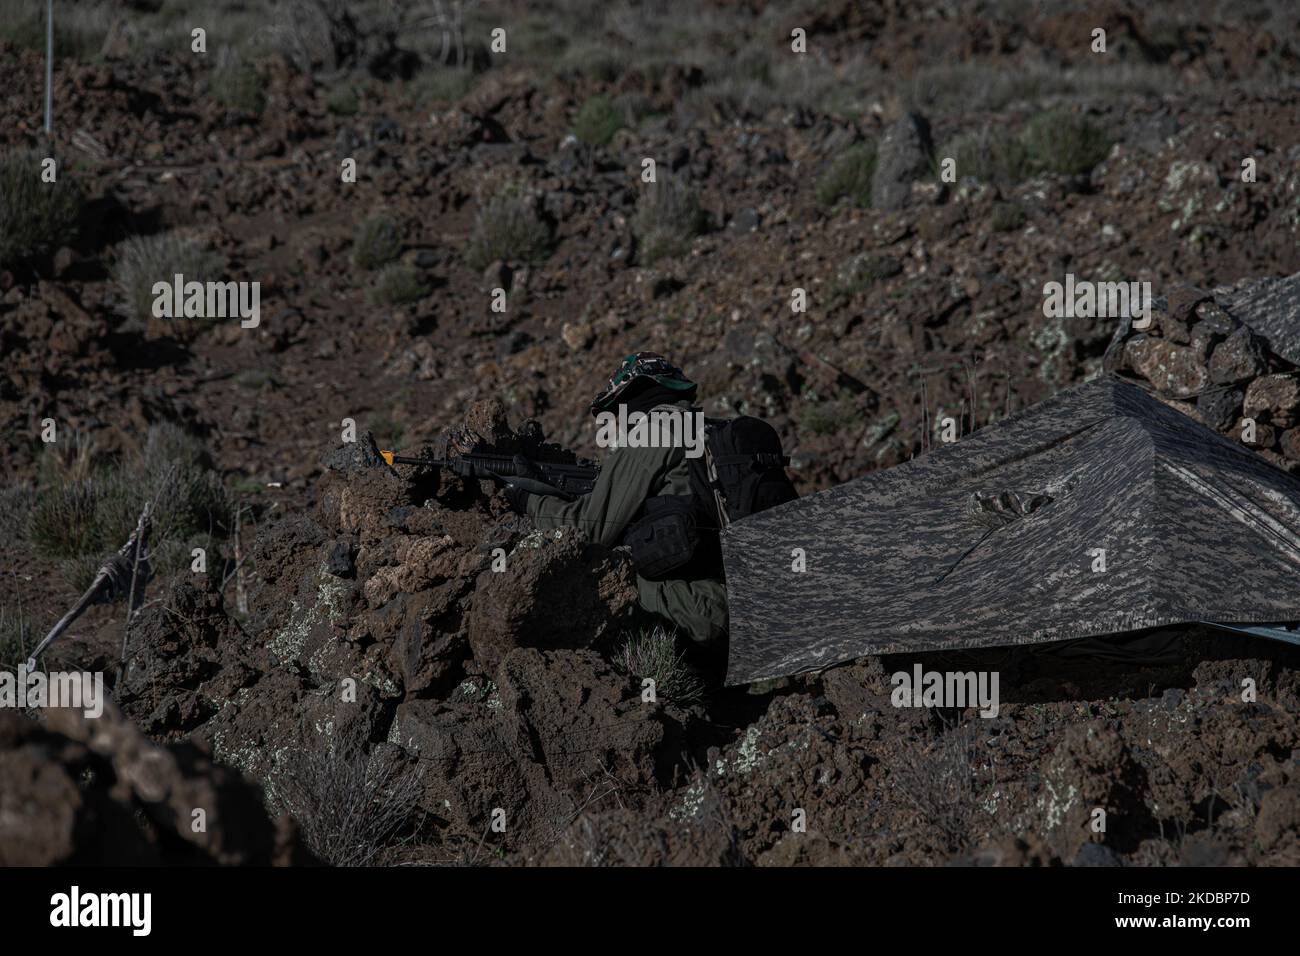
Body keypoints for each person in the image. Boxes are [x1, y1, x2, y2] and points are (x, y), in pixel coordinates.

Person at [501, 352, 730, 651]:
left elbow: (588, 530)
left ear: (630, 397)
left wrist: (525, 499)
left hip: (698, 615)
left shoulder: (657, 430)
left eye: (615, 412)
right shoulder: (707, 430)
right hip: (731, 607)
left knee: (597, 573)